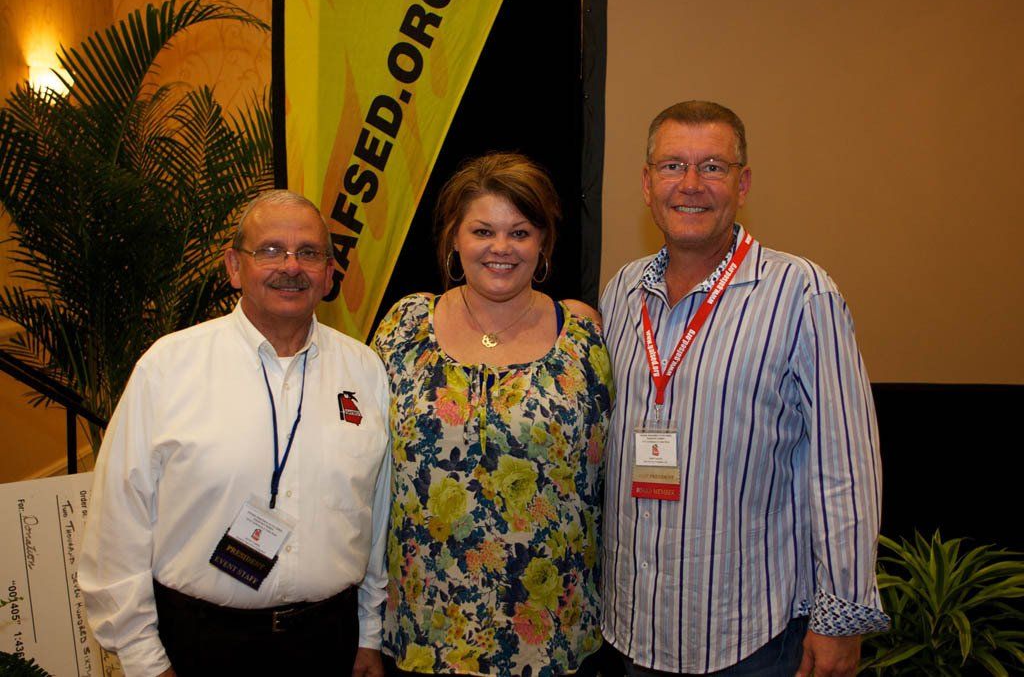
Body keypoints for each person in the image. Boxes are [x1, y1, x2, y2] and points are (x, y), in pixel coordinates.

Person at [599, 101, 889, 676]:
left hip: (750, 636)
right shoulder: (621, 292)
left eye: (713, 167)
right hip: (634, 629)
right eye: (672, 166)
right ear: (646, 182)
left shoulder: (803, 293)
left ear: (743, 182)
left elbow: (845, 469)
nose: (690, 185)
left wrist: (842, 619)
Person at [79, 190, 391, 677]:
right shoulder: (168, 367)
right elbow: (117, 522)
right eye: (269, 250)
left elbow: (375, 514)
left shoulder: (365, 370)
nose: (291, 266)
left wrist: (369, 633)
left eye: (309, 253)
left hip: (329, 642)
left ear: (329, 273)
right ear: (233, 265)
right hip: (201, 646)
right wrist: (143, 660)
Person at [371, 153, 613, 676]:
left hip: (553, 637)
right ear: (454, 239)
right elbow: (364, 471)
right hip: (424, 631)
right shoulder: (404, 327)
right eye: (483, 230)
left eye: (521, 232)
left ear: (543, 242)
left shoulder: (582, 333)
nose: (501, 248)